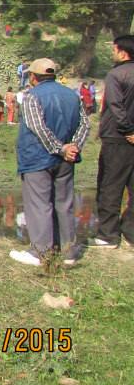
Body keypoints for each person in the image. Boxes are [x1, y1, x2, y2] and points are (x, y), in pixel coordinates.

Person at [10, 58, 90, 266]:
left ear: (33, 77)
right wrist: (73, 147)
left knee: (39, 205)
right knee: (64, 203)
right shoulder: (72, 95)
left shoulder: (31, 96)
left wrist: (60, 148)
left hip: (38, 157)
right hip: (66, 160)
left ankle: (41, 252)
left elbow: (38, 128)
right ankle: (68, 251)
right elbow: (85, 124)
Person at [88, 35, 134, 249]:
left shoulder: (116, 74)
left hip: (117, 137)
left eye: (114, 49)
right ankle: (130, 232)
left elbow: (116, 106)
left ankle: (108, 235)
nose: (112, 53)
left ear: (123, 53)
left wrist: (128, 130)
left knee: (110, 186)